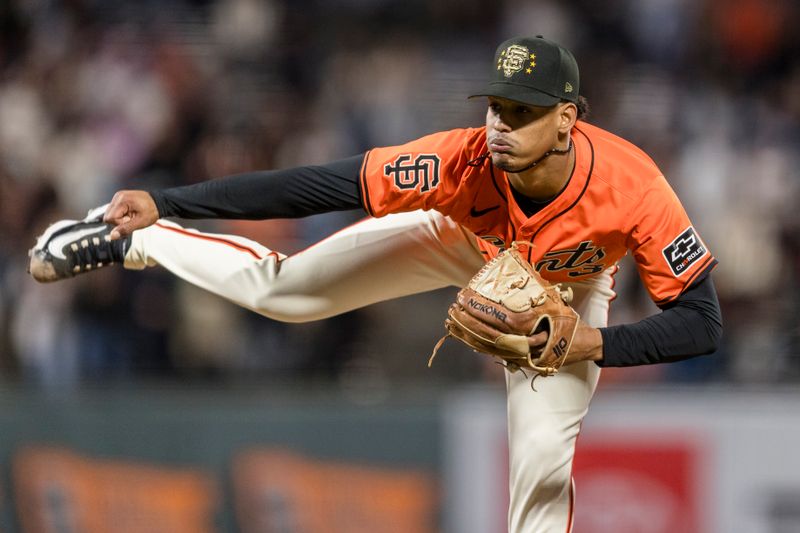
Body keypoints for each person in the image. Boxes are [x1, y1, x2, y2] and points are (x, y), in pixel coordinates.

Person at [29, 36, 722, 532]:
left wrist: (590, 342)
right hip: (460, 239)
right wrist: (168, 201)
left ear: (568, 119)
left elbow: (702, 321)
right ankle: (138, 239)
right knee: (286, 293)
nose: (499, 125)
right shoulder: (461, 158)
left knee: (543, 456)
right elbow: (315, 186)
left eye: (522, 112)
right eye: (495, 106)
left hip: (568, 293)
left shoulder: (632, 187)